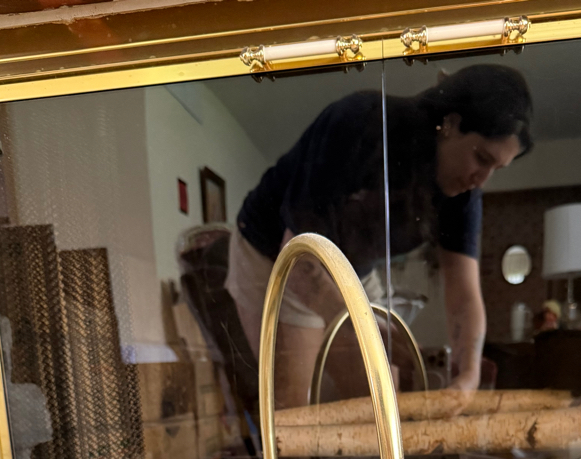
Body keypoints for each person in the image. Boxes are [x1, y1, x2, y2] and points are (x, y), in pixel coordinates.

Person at [225, 64, 533, 407]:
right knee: (295, 404)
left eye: (496, 169)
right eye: (481, 158)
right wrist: (363, 331)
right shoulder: (360, 123)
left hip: (351, 266)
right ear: (450, 123)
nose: (482, 180)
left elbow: (464, 294)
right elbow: (300, 264)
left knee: (381, 397)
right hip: (278, 252)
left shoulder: (465, 190)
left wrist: (468, 375)